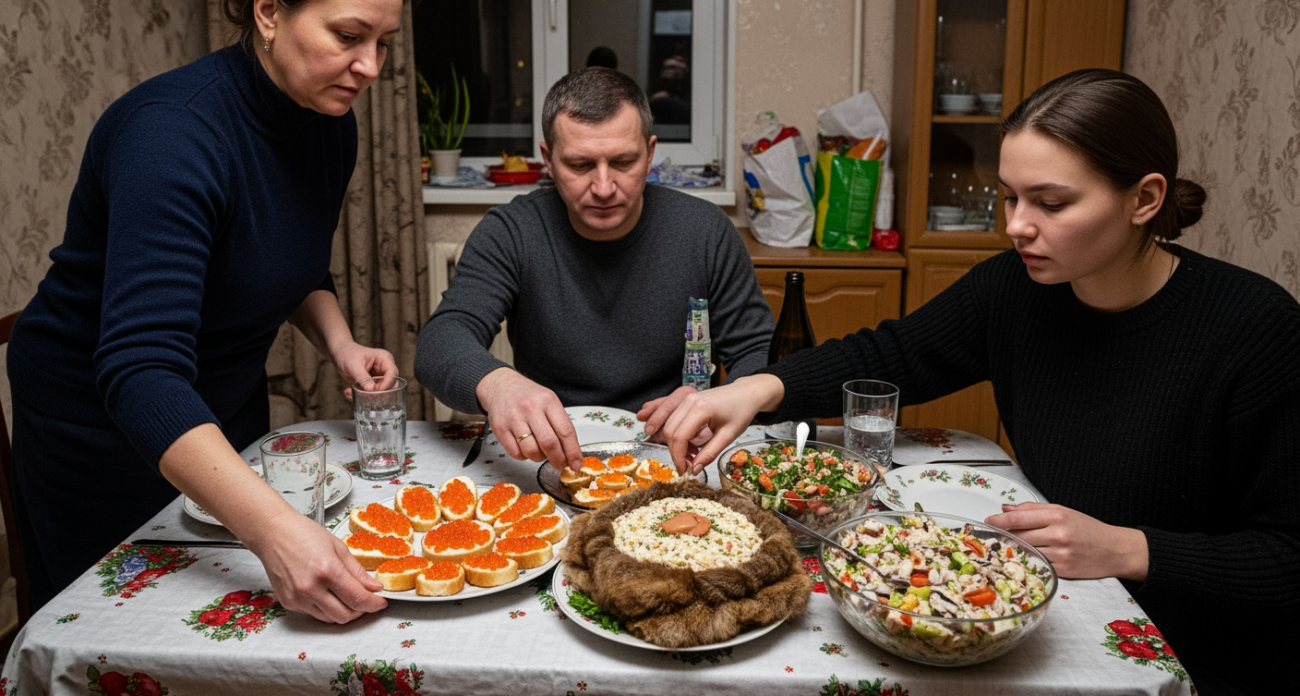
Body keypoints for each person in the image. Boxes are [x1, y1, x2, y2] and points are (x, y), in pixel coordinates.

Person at [656, 69, 1299, 695]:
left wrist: (1132, 549)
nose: (1017, 225)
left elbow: (1288, 556)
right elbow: (897, 353)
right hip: (1042, 601)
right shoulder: (1015, 288)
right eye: (1011, 197)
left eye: (1051, 203)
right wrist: (757, 388)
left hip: (1193, 652)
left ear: (1145, 199)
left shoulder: (1256, 329)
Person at [6, 0, 405, 623]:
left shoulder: (330, 121)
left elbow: (287, 260)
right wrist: (272, 529)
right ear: (269, 12)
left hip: (223, 406)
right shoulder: (170, 132)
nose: (370, 66)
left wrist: (341, 344)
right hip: (102, 429)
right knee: (133, 637)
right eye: (349, 36)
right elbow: (141, 372)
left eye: (384, 42)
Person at [415, 67, 773, 473]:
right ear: (549, 160)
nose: (604, 187)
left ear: (650, 152)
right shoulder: (511, 231)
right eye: (581, 165)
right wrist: (496, 383)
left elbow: (758, 352)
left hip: (670, 451)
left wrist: (722, 402)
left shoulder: (705, 231)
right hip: (550, 454)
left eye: (623, 162)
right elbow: (440, 340)